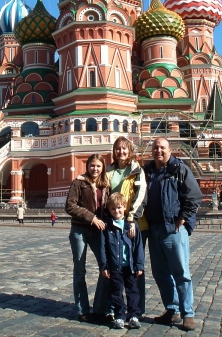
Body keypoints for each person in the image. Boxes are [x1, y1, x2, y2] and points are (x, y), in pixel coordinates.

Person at [144, 137, 202, 332]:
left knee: (181, 272)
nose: (158, 151)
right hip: (154, 228)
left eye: (162, 148)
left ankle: (188, 314)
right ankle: (172, 309)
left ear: (170, 150)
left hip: (174, 229)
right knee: (160, 273)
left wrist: (183, 218)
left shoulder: (179, 169)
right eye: (155, 148)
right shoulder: (148, 171)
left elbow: (194, 196)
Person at [105, 137, 148, 316]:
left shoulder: (137, 170)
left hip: (135, 225)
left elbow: (141, 196)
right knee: (112, 267)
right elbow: (103, 195)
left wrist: (131, 219)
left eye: (124, 149)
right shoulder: (108, 171)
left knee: (135, 267)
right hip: (114, 225)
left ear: (130, 151)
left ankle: (136, 310)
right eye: (117, 149)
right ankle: (113, 307)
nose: (120, 152)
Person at [65, 153, 110, 322]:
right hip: (80, 230)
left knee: (106, 268)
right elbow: (70, 205)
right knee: (80, 270)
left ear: (103, 167)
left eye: (98, 166)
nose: (95, 169)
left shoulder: (106, 184)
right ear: (87, 165)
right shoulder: (78, 182)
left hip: (99, 232)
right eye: (92, 165)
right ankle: (83, 309)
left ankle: (100, 307)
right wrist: (91, 218)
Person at [100, 193, 144, 329]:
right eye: (113, 209)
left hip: (130, 267)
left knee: (133, 291)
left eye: (119, 208)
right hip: (115, 267)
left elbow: (138, 247)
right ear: (109, 210)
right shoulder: (107, 227)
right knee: (116, 292)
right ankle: (119, 316)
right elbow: (103, 248)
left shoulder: (132, 226)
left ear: (124, 207)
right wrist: (104, 266)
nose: (116, 211)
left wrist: (139, 265)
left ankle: (134, 315)